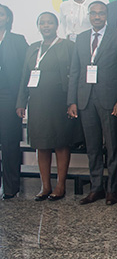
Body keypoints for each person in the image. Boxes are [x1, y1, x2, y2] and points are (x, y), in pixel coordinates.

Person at [67, 1, 117, 205]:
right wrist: (71, 101)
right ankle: (96, 188)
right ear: (89, 16)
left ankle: (112, 189)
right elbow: (75, 71)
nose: (97, 17)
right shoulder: (81, 38)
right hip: (85, 99)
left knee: (112, 146)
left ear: (107, 15)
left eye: (101, 13)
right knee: (92, 147)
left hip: (109, 100)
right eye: (94, 13)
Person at [16, 12, 73, 200]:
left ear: (56, 25)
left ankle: (60, 185)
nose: (46, 26)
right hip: (37, 103)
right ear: (38, 26)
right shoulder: (33, 48)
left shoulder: (67, 46)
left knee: (61, 143)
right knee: (41, 144)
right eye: (42, 23)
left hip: (59, 101)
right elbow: (25, 76)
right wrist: (21, 101)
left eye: (50, 23)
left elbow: (73, 75)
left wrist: (71, 101)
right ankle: (45, 186)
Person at [0, 5, 27, 199]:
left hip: (9, 96)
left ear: (8, 18)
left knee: (9, 143)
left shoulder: (17, 40)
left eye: (1, 14)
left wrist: (21, 101)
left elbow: (25, 72)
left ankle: (11, 187)